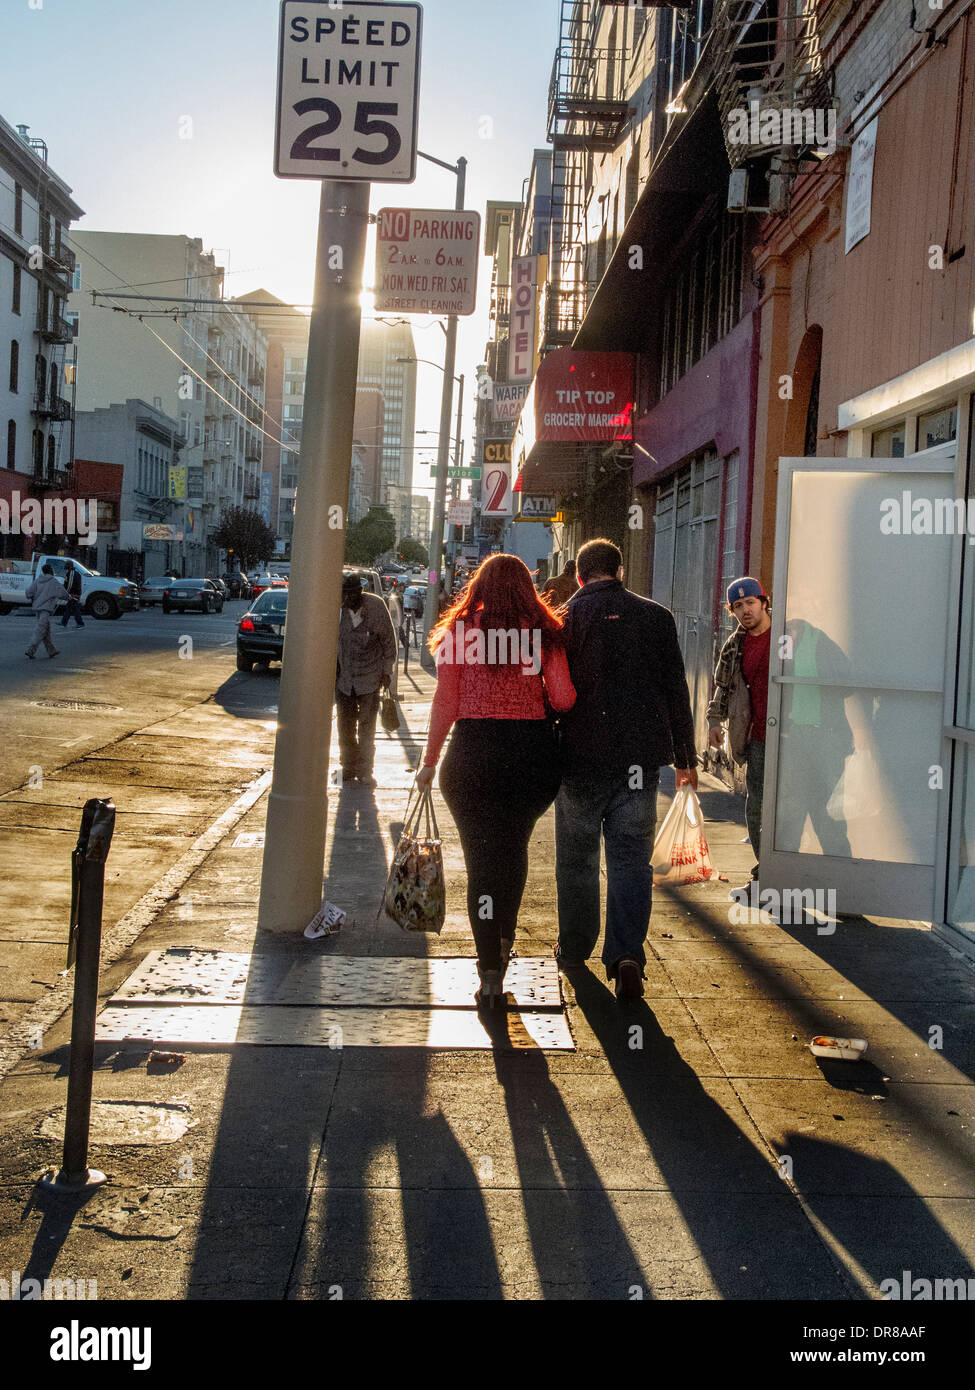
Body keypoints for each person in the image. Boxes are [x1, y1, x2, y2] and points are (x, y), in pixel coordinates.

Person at [416, 553, 576, 1007]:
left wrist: (429, 762)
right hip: (530, 759)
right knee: (513, 852)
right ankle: (504, 953)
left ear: (478, 587)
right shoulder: (545, 634)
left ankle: (488, 974)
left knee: (480, 862)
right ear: (527, 587)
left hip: (471, 759)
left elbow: (445, 703)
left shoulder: (458, 635)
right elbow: (564, 699)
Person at [555, 539, 698, 1002]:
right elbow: (676, 690)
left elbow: (551, 695)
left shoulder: (562, 619)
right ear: (620, 571)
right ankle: (627, 956)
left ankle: (575, 947)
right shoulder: (657, 617)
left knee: (577, 860)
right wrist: (686, 758)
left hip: (578, 761)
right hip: (638, 763)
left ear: (579, 575)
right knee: (630, 860)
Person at [706, 577, 771, 901]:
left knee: (814, 811)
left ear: (764, 602)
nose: (745, 611)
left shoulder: (788, 635)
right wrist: (714, 721)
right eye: (737, 607)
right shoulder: (736, 644)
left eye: (750, 603)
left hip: (798, 738)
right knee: (757, 809)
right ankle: (764, 880)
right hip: (757, 737)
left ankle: (844, 890)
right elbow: (722, 685)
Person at [336, 572, 397, 787]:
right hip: (345, 678)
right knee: (345, 726)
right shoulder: (337, 610)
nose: (346, 600)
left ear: (358, 593)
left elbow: (389, 642)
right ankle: (347, 768)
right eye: (343, 596)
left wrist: (387, 672)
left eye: (350, 595)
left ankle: (365, 770)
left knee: (366, 727)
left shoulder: (376, 606)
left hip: (370, 677)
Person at [25, 564, 67, 660]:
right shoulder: (53, 581)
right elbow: (63, 593)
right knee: (40, 630)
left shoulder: (38, 580)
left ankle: (51, 651)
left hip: (37, 608)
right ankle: (30, 650)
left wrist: (34, 597)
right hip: (46, 609)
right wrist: (69, 597)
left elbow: (28, 592)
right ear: (51, 570)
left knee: (45, 631)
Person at [387, 579, 407, 676]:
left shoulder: (395, 593)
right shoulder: (396, 594)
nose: (404, 589)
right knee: (399, 631)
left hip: (396, 618)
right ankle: (405, 644)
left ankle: (405, 644)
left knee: (399, 631)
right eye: (403, 587)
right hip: (395, 618)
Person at [60, 562, 86, 629]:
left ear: (69, 566)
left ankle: (80, 623)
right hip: (75, 594)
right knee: (69, 609)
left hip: (73, 594)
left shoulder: (71, 573)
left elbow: (70, 584)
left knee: (75, 609)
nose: (65, 566)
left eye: (66, 564)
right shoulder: (73, 573)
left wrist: (66, 592)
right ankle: (63, 622)